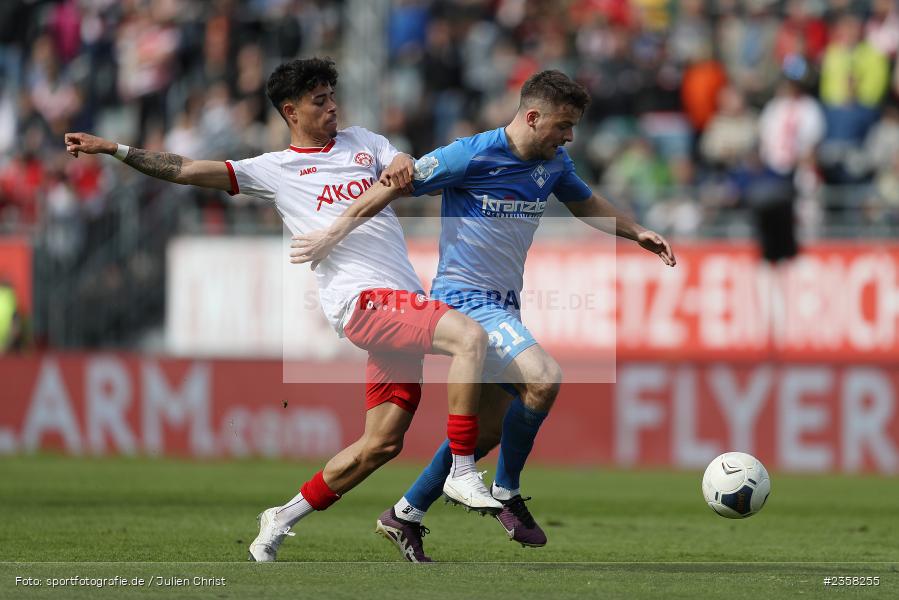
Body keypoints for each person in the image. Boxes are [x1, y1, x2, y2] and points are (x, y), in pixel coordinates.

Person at [63, 57, 501, 563]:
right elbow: (184, 169)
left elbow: (396, 157)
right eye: (320, 101)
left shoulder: (364, 141)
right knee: (469, 337)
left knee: (382, 444)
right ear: (291, 111)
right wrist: (114, 148)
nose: (333, 106)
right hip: (364, 303)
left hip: (400, 303)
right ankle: (463, 471)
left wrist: (402, 157)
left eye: (333, 96)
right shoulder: (273, 169)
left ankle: (280, 518)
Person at [289, 70, 676, 562]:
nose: (569, 136)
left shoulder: (554, 163)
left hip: (505, 303)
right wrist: (332, 234)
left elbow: (586, 204)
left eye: (573, 127)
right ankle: (508, 492)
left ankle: (405, 513)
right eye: (563, 125)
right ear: (532, 117)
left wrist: (636, 231)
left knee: (490, 428)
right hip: (464, 299)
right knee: (545, 378)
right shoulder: (469, 154)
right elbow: (392, 187)